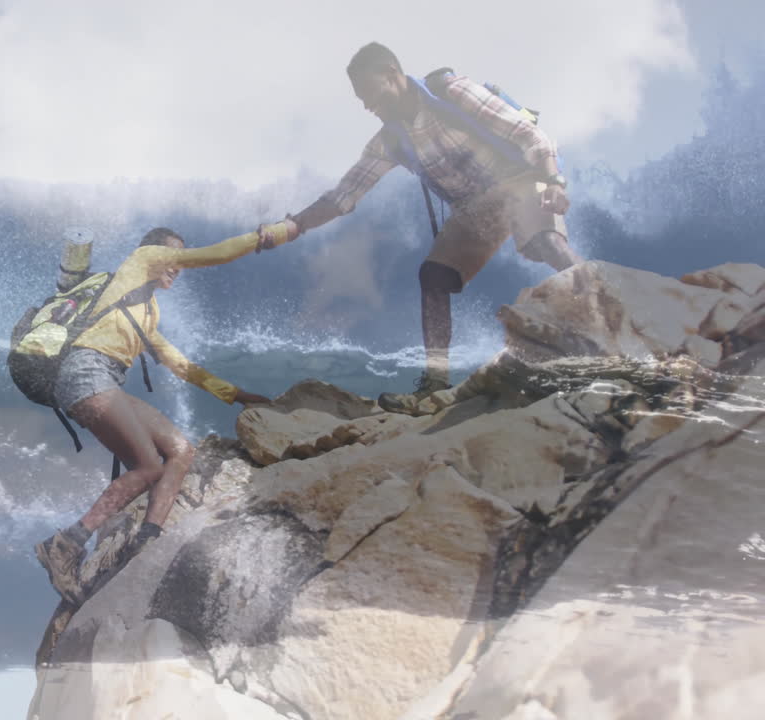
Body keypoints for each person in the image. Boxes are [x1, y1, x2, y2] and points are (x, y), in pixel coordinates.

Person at [259, 42, 583, 414]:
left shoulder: (452, 92)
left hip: (521, 179)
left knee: (546, 243)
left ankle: (613, 306)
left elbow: (528, 134)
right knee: (433, 276)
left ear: (393, 74)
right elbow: (343, 197)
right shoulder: (389, 141)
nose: (367, 105)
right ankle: (434, 385)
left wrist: (554, 181)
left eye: (370, 93)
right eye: (361, 99)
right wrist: (294, 225)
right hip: (475, 209)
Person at [34, 226, 276, 605]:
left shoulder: (148, 309)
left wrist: (236, 395)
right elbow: (215, 254)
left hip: (107, 379)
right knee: (147, 466)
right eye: (173, 257)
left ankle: (147, 540)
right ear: (151, 254)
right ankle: (64, 544)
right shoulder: (138, 263)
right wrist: (264, 237)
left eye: (180, 259)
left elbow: (178, 363)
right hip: (84, 372)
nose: (177, 266)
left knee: (181, 451)